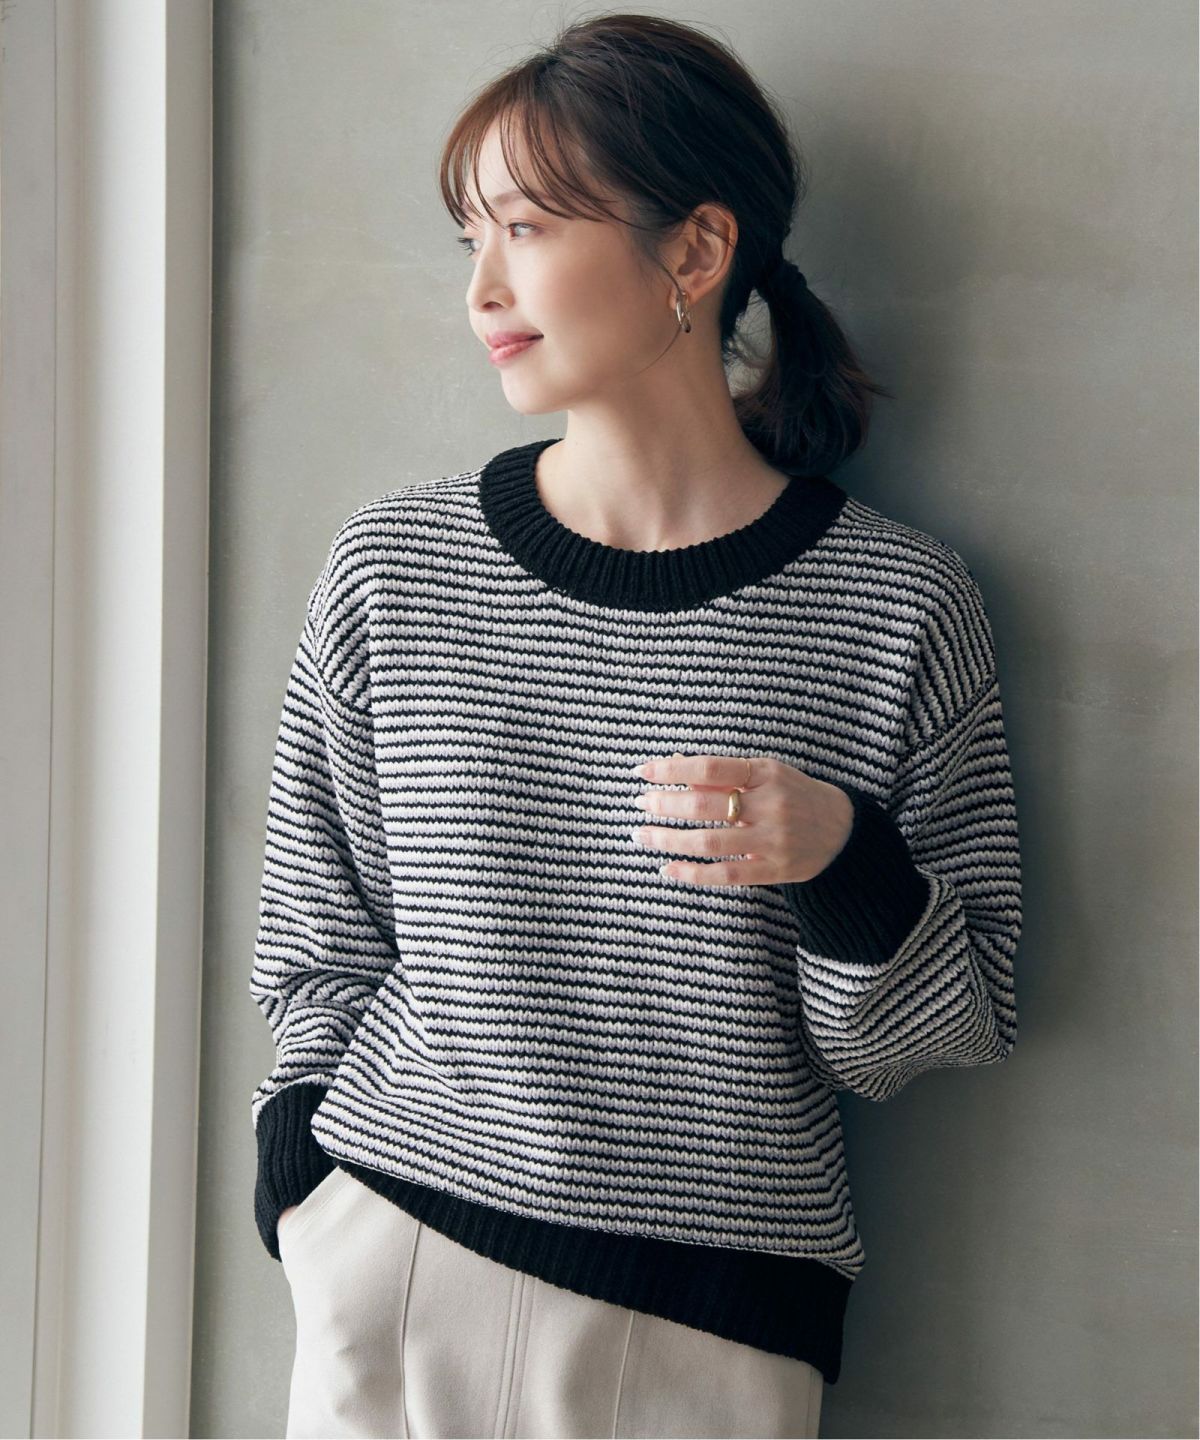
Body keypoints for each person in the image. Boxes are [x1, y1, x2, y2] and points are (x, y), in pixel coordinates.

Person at [248, 13, 1022, 1439]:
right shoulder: (393, 568)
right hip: (390, 1248)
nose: (482, 286)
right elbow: (317, 930)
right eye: (469, 236)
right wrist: (304, 1172)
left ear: (696, 250)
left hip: (708, 1319)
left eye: (528, 228)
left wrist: (844, 859)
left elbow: (940, 1030)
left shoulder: (897, 604)